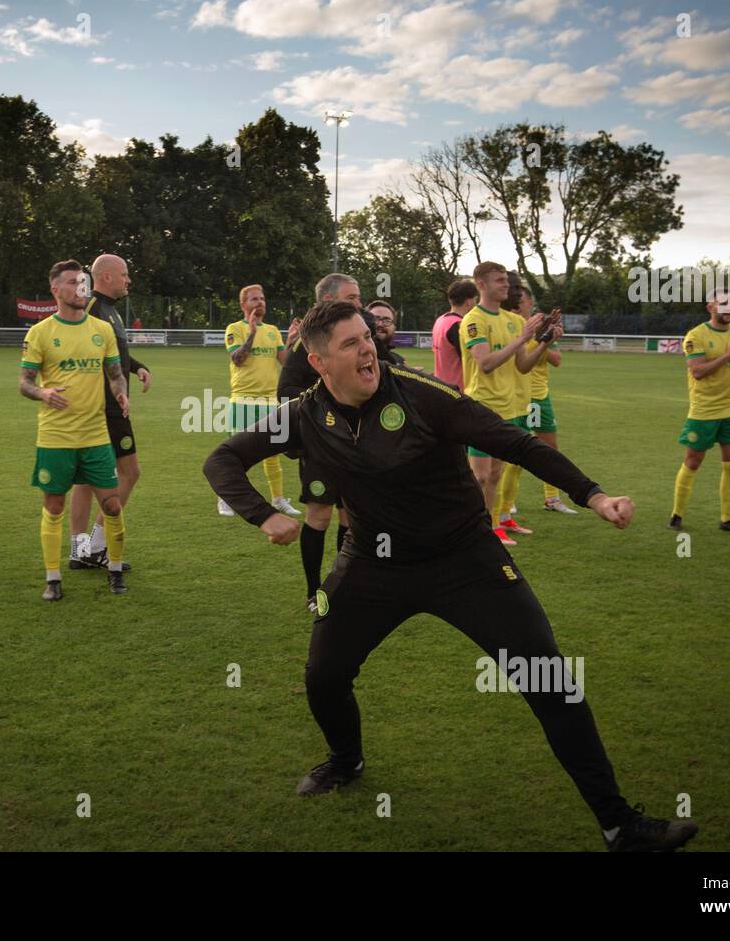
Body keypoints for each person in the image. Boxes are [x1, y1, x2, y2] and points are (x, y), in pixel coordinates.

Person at [203, 299, 698, 852]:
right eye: (350, 343)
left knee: (548, 680)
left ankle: (619, 824)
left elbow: (516, 443)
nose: (367, 348)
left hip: (466, 561)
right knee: (323, 677)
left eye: (366, 337)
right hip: (371, 564)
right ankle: (346, 760)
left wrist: (594, 495)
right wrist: (264, 515)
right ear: (319, 363)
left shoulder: (422, 395)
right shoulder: (303, 415)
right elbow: (221, 460)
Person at [20, 260, 129, 600]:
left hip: (95, 434)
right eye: (71, 283)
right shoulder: (39, 333)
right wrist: (43, 392)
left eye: (82, 282)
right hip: (55, 436)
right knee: (54, 506)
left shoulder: (101, 330)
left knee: (112, 505)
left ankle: (114, 570)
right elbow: (24, 383)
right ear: (56, 289)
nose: (80, 288)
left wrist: (122, 393)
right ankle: (53, 579)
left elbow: (115, 373)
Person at [278, 274, 371, 613]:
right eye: (352, 297)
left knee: (351, 519)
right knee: (319, 516)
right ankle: (313, 590)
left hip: (357, 445)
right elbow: (285, 393)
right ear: (328, 299)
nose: (358, 303)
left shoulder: (359, 336)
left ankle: (342, 583)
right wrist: (327, 410)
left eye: (359, 297)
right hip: (322, 447)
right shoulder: (308, 345)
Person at [69, 254, 149, 571]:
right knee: (129, 472)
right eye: (125, 274)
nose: (128, 280)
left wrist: (138, 367)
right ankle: (95, 545)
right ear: (105, 277)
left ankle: (82, 550)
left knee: (88, 477)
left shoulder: (110, 311)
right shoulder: (90, 308)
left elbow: (110, 355)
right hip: (104, 408)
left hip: (109, 405)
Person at [459, 263, 545, 546]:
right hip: (483, 407)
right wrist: (522, 338)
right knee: (480, 476)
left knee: (496, 472)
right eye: (499, 281)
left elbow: (522, 366)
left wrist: (543, 343)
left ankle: (492, 526)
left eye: (506, 280)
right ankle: (472, 527)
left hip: (510, 408)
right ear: (481, 284)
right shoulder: (473, 320)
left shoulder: (515, 320)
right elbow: (485, 363)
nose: (506, 285)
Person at [668, 290, 730, 534]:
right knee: (693, 462)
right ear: (711, 307)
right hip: (704, 410)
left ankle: (728, 519)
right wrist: (728, 353)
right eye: (723, 305)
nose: (728, 310)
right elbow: (697, 371)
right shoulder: (696, 335)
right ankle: (677, 515)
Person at [217, 284, 300, 519]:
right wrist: (252, 332)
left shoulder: (273, 331)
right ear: (243, 305)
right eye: (254, 299)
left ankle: (278, 499)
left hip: (270, 401)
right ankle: (225, 497)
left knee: (273, 453)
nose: (260, 302)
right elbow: (238, 358)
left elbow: (286, 362)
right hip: (243, 400)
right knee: (238, 452)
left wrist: (292, 339)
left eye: (262, 298)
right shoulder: (235, 328)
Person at [518, 285, 576, 515]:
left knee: (548, 448)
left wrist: (544, 339)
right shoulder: (509, 325)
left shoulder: (543, 327)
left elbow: (556, 360)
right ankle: (505, 501)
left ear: (530, 303)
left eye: (521, 300)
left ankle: (552, 498)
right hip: (516, 396)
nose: (516, 303)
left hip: (539, 396)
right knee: (512, 448)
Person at [431, 279, 477, 388]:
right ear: (469, 302)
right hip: (458, 391)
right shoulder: (459, 325)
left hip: (441, 387)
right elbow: (472, 361)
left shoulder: (440, 320)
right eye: (476, 300)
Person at [364, 301, 405, 366]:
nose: (380, 324)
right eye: (375, 319)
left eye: (387, 321)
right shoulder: (356, 357)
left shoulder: (399, 360)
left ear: (394, 329)